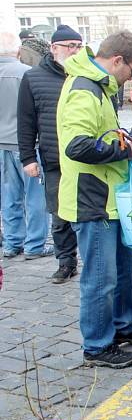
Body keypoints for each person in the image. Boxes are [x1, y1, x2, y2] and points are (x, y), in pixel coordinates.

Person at [57, 30, 132, 368]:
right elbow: (77, 145)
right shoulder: (85, 89)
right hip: (92, 199)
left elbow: (97, 136)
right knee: (100, 276)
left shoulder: (99, 88)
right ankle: (97, 345)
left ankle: (121, 326)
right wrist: (125, 149)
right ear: (117, 61)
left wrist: (122, 139)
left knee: (123, 268)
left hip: (111, 197)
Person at [17, 25, 84, 283]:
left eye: (79, 46)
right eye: (70, 46)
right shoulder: (33, 78)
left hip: (85, 157)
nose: (76, 51)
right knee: (59, 215)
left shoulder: (85, 75)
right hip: (54, 158)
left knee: (94, 213)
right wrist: (28, 158)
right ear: (54, 48)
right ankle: (66, 262)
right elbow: (26, 121)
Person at [0, 32, 50, 260]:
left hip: (2, 143)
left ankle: (12, 242)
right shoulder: (27, 74)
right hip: (27, 144)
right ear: (18, 51)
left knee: (9, 196)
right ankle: (35, 244)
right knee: (35, 197)